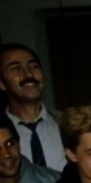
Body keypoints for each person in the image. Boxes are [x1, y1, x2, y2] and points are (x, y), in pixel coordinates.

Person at [0, 43, 65, 171]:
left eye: (33, 66)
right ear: (2, 84)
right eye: (16, 68)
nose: (29, 74)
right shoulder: (2, 133)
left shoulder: (69, 123)